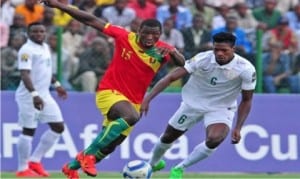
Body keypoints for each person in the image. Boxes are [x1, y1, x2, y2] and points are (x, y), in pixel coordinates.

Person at [39, 0, 185, 178]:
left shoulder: (163, 49)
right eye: (146, 33)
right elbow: (91, 20)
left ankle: (71, 167)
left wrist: (174, 53)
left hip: (134, 101)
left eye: (154, 35)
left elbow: (182, 64)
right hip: (110, 92)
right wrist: (60, 6)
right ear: (138, 31)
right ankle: (86, 156)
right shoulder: (124, 36)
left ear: (160, 35)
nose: (149, 38)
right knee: (131, 116)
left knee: (110, 145)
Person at [140, 32, 256, 179]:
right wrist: (147, 99)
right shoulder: (203, 58)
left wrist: (238, 127)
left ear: (233, 49)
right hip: (192, 104)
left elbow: (246, 100)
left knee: (215, 139)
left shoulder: (246, 69)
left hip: (221, 108)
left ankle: (179, 168)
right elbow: (171, 77)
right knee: (168, 137)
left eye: (224, 50)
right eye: (216, 49)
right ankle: (152, 164)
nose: (219, 53)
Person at [15, 22, 67, 177]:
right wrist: (34, 95)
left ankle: (35, 161)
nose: (38, 34)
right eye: (35, 31)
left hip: (45, 95)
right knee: (28, 131)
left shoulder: (45, 47)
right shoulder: (26, 50)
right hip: (29, 97)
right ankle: (22, 168)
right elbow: (25, 74)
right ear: (28, 33)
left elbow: (46, 70)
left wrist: (57, 85)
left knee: (58, 127)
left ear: (45, 33)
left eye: (41, 31)